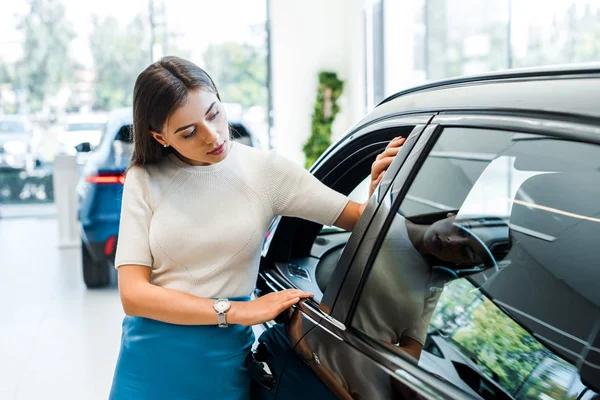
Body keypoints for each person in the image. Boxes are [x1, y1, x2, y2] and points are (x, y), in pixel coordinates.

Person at [108, 56, 404, 400]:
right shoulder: (143, 180)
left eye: (214, 113)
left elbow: (359, 219)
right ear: (160, 137)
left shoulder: (265, 171)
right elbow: (133, 295)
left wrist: (377, 187)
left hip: (221, 370)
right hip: (147, 369)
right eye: (189, 132)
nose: (212, 135)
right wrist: (238, 310)